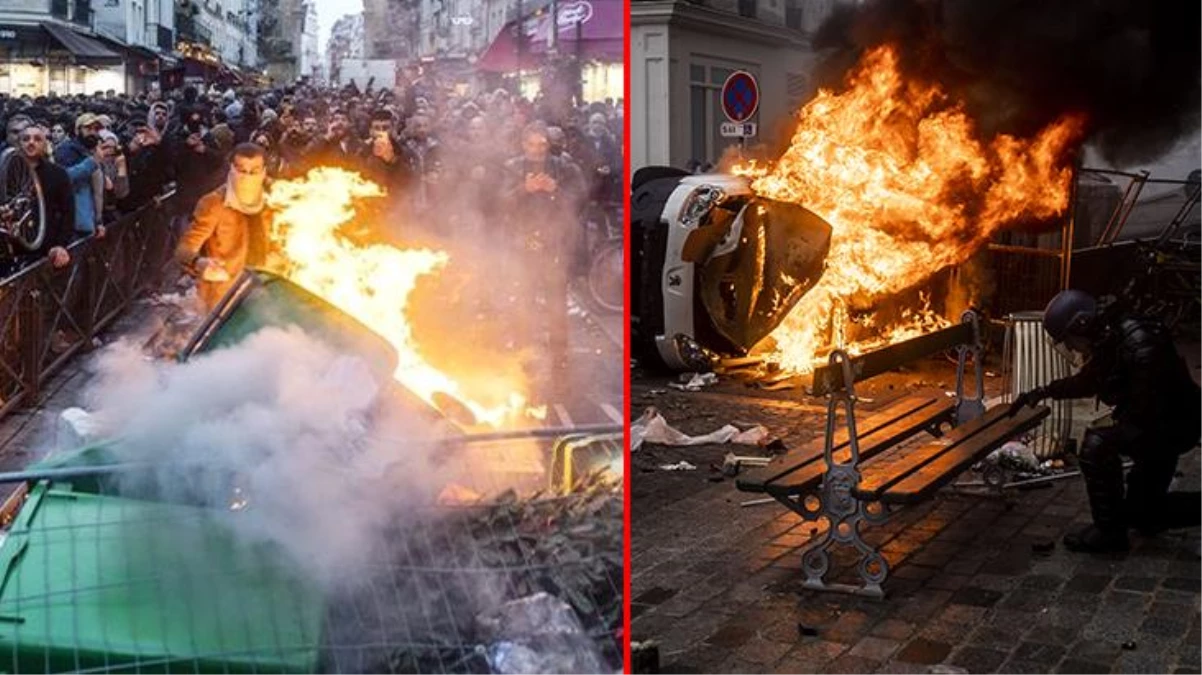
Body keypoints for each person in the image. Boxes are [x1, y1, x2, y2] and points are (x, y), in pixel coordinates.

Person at [1009, 290, 1202, 553]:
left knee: (1097, 444)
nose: (1071, 348)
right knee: (1144, 515)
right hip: (1164, 426)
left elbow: (1149, 412)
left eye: (1069, 340)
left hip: (1169, 427)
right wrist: (1042, 392)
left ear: (1082, 325)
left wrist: (1118, 433)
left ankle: (1108, 533)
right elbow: (1090, 380)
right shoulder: (1113, 339)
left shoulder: (1137, 342)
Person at [176, 143, 274, 309]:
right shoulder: (214, 203)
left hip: (268, 293)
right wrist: (199, 263)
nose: (248, 176)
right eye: (242, 170)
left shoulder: (275, 200)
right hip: (226, 298)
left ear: (264, 171)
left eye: (254, 171)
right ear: (232, 169)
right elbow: (183, 250)